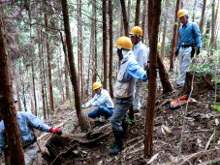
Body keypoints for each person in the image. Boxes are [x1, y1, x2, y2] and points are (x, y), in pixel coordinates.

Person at [109, 36, 147, 155]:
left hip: (125, 99)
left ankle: (119, 144)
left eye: (117, 50)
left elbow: (141, 73)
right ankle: (123, 133)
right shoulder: (125, 60)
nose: (116, 52)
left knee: (114, 121)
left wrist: (147, 74)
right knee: (122, 118)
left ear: (121, 50)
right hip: (121, 97)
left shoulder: (130, 63)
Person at [0, 99, 62, 164]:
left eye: (14, 104)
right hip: (13, 152)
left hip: (30, 148)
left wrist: (51, 129)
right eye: (9, 106)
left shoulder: (25, 116)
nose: (13, 107)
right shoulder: (2, 125)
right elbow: (0, 143)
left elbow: (39, 124)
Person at [175, 9, 201, 89]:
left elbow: (197, 35)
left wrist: (198, 46)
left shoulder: (193, 25)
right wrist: (177, 48)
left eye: (182, 18)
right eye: (180, 18)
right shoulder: (180, 28)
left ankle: (181, 83)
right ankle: (181, 81)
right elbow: (180, 39)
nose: (181, 20)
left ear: (187, 17)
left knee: (185, 66)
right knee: (180, 66)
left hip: (189, 48)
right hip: (182, 48)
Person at [129, 26, 149, 112]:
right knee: (135, 92)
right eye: (131, 36)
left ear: (138, 37)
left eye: (132, 37)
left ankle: (136, 108)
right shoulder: (135, 47)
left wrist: (138, 76)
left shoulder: (141, 48)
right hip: (135, 74)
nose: (131, 39)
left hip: (139, 74)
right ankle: (136, 106)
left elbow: (141, 64)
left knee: (137, 92)